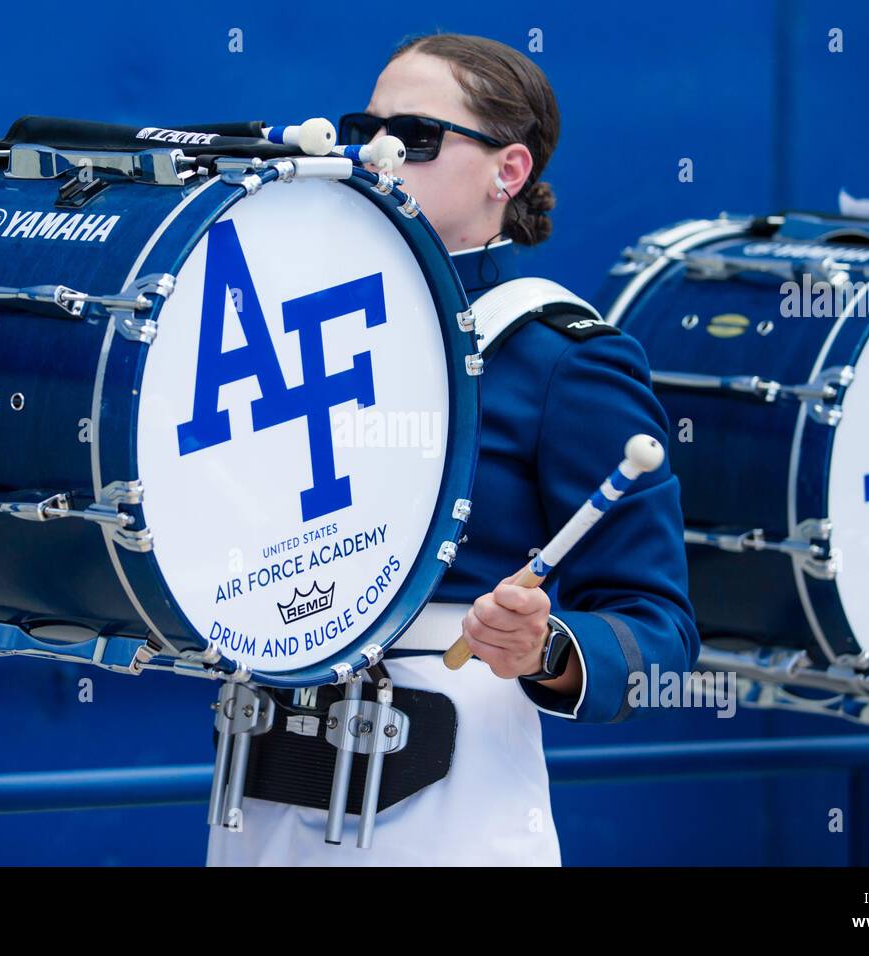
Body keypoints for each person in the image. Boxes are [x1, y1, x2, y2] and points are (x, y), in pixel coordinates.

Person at [207, 32, 698, 867]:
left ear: (509, 171)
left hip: (447, 795)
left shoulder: (562, 356)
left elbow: (662, 632)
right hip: (261, 776)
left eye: (416, 137)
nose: (377, 154)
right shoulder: (292, 332)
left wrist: (548, 648)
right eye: (364, 130)